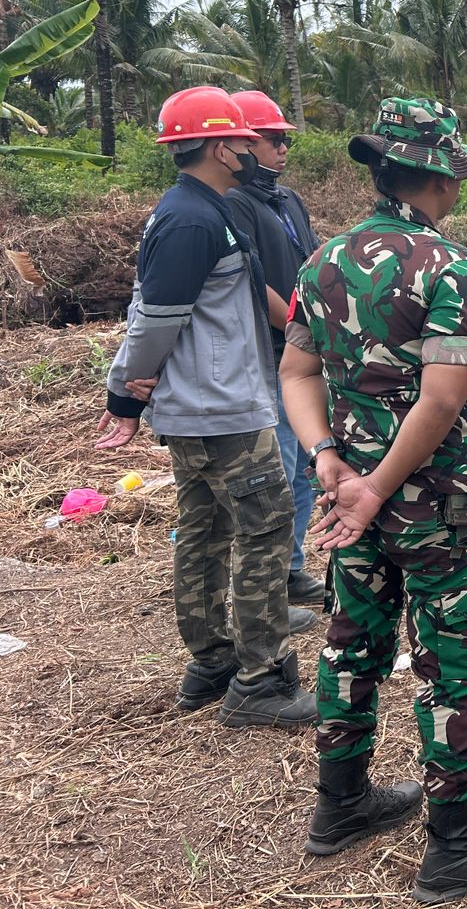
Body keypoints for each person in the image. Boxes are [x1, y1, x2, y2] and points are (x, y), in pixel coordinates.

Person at [281, 98, 467, 901]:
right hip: (438, 506)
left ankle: (340, 806)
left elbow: (296, 372)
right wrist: (376, 487)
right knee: (452, 662)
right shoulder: (448, 267)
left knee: (351, 642)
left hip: (349, 499)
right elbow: (441, 399)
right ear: (440, 177)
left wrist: (329, 458)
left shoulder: (322, 262)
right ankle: (455, 849)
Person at [97, 86, 316, 727]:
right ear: (222, 148)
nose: (254, 151)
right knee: (266, 529)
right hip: (221, 409)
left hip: (204, 404)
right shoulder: (193, 219)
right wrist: (124, 392)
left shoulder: (200, 210)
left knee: (205, 532)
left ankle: (212, 661)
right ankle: (262, 678)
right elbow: (154, 317)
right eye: (245, 142)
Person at [224, 90, 323, 607]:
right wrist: (296, 327)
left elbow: (311, 260)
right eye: (272, 139)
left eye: (286, 140)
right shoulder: (235, 203)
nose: (282, 149)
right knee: (280, 463)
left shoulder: (286, 200)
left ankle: (292, 567)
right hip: (271, 351)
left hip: (302, 348)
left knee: (305, 462)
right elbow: (252, 279)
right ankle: (271, 580)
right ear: (242, 143)